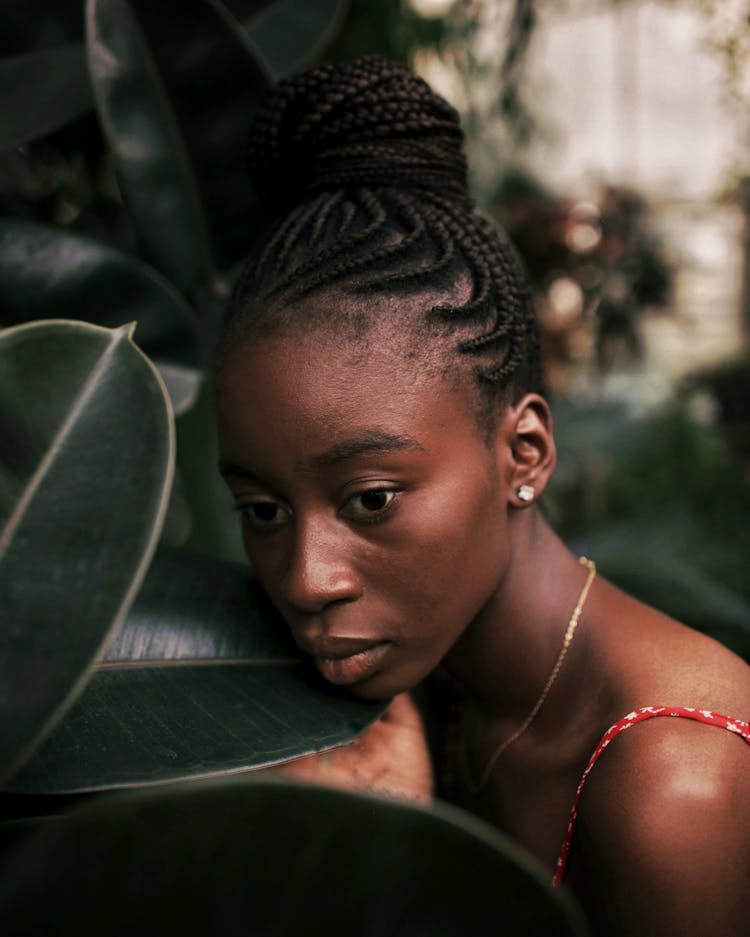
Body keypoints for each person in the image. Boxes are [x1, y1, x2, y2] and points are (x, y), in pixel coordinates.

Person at [213, 56, 750, 937]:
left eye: (371, 498)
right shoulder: (416, 685)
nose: (306, 581)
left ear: (524, 452)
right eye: (263, 511)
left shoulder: (676, 781)